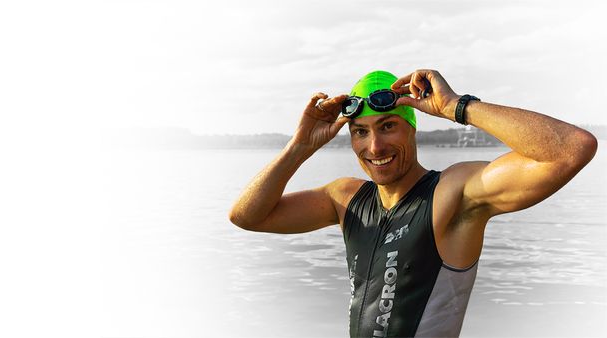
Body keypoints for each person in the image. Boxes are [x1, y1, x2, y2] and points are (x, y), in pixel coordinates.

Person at [228, 69, 597, 337]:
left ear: (412, 126)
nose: (375, 148)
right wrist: (300, 147)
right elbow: (247, 216)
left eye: (388, 126)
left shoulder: (452, 195)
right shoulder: (346, 199)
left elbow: (571, 149)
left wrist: (457, 107)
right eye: (361, 132)